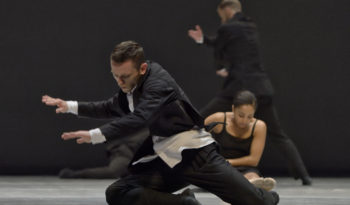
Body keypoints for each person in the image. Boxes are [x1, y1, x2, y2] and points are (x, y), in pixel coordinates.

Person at [42, 40, 279, 205]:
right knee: (117, 192)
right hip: (168, 161)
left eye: (124, 76)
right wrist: (70, 106)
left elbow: (139, 117)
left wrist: (95, 134)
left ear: (142, 68)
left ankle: (263, 196)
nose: (120, 82)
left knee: (255, 202)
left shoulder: (158, 83)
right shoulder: (132, 86)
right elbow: (109, 106)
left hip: (197, 157)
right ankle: (184, 202)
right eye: (115, 75)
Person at [188, 0, 312, 185]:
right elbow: (237, 48)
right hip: (261, 87)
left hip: (238, 87)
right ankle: (304, 176)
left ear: (227, 10)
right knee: (278, 134)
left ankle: (184, 167)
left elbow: (220, 47)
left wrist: (220, 65)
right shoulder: (250, 26)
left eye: (221, 15)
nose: (221, 19)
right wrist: (204, 39)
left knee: (199, 121)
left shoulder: (227, 28)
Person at [205, 90, 276, 191]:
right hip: (221, 166)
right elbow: (196, 133)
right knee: (224, 175)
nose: (245, 121)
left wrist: (228, 161)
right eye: (241, 115)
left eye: (250, 117)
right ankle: (241, 185)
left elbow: (254, 160)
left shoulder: (259, 126)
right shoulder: (220, 119)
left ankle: (253, 184)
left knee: (252, 175)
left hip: (244, 167)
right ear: (233, 109)